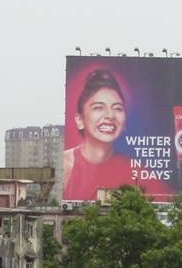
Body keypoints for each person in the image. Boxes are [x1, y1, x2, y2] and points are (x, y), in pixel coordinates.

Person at [62, 68, 169, 201]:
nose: (110, 116)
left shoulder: (140, 173)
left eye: (117, 108)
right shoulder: (63, 167)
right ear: (80, 120)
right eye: (98, 107)